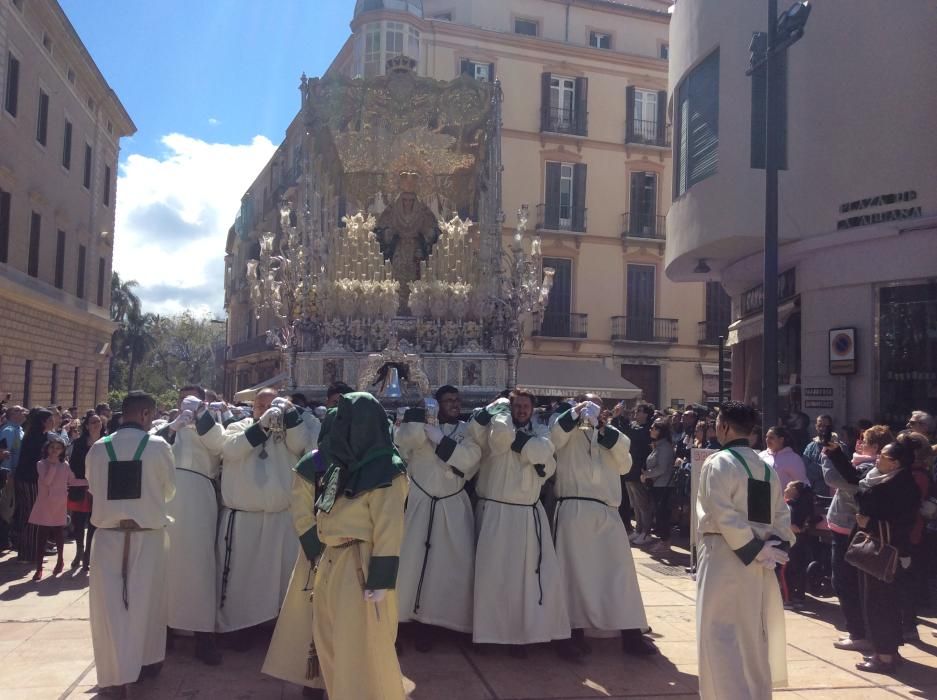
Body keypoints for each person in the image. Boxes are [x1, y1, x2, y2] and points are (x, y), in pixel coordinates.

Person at [311, 392, 409, 699]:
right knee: (329, 642)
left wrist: (380, 580)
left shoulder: (388, 471)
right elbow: (323, 508)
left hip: (359, 565)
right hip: (331, 560)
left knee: (358, 648)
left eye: (345, 419)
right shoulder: (340, 466)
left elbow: (390, 527)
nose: (339, 426)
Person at [696, 401, 794, 700]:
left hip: (724, 555)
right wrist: (774, 546)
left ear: (723, 426)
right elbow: (781, 515)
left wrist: (754, 548)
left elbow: (722, 513)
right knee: (752, 634)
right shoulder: (765, 467)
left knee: (717, 633)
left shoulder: (718, 461)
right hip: (758, 560)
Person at [550, 394, 657, 659]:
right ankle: (571, 634)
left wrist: (601, 427)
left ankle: (631, 634)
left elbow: (625, 464)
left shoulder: (612, 434)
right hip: (573, 509)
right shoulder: (564, 429)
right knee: (572, 575)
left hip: (607, 511)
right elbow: (553, 439)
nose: (592, 410)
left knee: (620, 574)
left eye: (597, 406)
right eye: (587, 404)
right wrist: (575, 414)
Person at [85, 391, 176, 698]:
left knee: (109, 608)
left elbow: (94, 488)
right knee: (148, 602)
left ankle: (115, 673)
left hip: (108, 536)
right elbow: (169, 490)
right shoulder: (158, 445)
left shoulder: (98, 448)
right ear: (147, 414)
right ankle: (144, 663)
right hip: (147, 534)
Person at [472, 390, 571, 655]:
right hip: (496, 511)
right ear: (510, 408)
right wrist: (526, 447)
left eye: (526, 406)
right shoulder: (497, 426)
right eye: (517, 406)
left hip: (527, 514)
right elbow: (499, 442)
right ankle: (490, 635)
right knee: (493, 576)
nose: (522, 410)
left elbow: (546, 459)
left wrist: (525, 447)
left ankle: (519, 635)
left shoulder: (542, 429)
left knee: (525, 579)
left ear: (533, 409)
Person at [217, 389, 311, 646]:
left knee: (281, 580)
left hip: (280, 518)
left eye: (272, 404)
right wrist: (261, 426)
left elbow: (302, 445)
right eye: (261, 404)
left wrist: (289, 416)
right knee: (243, 579)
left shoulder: (289, 430)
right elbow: (231, 451)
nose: (266, 408)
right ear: (253, 406)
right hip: (244, 520)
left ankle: (278, 631)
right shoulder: (238, 426)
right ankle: (240, 628)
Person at [394, 385, 482, 649]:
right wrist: (417, 423)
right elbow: (402, 447)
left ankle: (439, 620)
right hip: (420, 503)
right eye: (448, 400)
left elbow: (469, 461)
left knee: (448, 565)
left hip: (452, 505)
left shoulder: (467, 431)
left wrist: (441, 440)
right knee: (411, 561)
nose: (454, 404)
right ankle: (401, 620)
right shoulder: (420, 427)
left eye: (457, 400)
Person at [827, 439, 921, 673]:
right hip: (870, 549)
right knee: (873, 602)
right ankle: (886, 651)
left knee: (881, 604)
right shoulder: (878, 476)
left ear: (896, 463)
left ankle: (885, 656)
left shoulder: (904, 485)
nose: (878, 458)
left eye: (884, 456)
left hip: (885, 551)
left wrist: (871, 522)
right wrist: (837, 453)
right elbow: (854, 480)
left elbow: (903, 522)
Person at [155, 386, 225, 665]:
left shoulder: (214, 424)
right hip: (167, 495)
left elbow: (220, 446)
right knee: (166, 562)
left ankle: (203, 636)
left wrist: (202, 415)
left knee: (199, 565)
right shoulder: (166, 425)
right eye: (183, 397)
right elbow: (148, 447)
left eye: (192, 398)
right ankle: (166, 628)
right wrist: (173, 427)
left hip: (198, 495)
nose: (186, 402)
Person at [262, 444, 327, 700]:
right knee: (310, 617)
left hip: (351, 552)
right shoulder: (315, 461)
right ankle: (312, 680)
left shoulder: (366, 457)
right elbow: (302, 508)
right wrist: (315, 549)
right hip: (318, 552)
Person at [824, 425, 892, 652]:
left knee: (846, 583)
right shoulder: (861, 464)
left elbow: (837, 479)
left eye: (864, 441)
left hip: (850, 532)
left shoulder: (870, 468)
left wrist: (827, 456)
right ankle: (861, 632)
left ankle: (859, 633)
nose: (859, 443)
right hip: (844, 529)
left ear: (875, 447)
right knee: (848, 583)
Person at [28, 434, 77, 580]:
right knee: (41, 536)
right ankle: (38, 568)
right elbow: (47, 481)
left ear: (63, 450)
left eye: (58, 448)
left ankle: (60, 560)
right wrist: (54, 465)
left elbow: (72, 481)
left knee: (58, 534)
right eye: (52, 447)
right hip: (44, 504)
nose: (55, 450)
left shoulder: (65, 465)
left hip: (59, 504)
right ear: (47, 449)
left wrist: (88, 482)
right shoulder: (41, 464)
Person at [14, 408, 55, 562]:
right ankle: (29, 553)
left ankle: (29, 551)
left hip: (28, 479)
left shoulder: (39, 436)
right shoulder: (37, 438)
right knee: (33, 515)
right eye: (50, 419)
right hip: (30, 480)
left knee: (29, 515)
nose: (53, 422)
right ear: (44, 421)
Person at [67, 413, 102, 570]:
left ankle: (88, 553)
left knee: (95, 523)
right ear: (87, 426)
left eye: (99, 422)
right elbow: (73, 464)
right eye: (93, 422)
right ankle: (79, 551)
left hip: (100, 488)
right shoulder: (79, 443)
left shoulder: (106, 441)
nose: (97, 424)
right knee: (79, 522)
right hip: (81, 487)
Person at [621, 404, 655, 545]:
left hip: (639, 471)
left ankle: (646, 532)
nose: (636, 413)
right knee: (634, 503)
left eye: (639, 411)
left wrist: (622, 418)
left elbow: (635, 434)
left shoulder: (648, 428)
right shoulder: (634, 426)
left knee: (643, 504)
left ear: (646, 414)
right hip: (630, 469)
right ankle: (639, 529)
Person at [643, 418, 676, 555]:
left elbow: (661, 468)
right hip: (657, 484)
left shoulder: (665, 447)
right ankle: (663, 540)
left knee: (663, 514)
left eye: (654, 428)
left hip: (663, 485)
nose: (651, 430)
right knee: (659, 513)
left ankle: (665, 542)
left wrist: (647, 475)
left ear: (660, 431)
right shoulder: (658, 446)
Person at [782, 480, 814, 609]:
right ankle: (799, 597)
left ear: (794, 490)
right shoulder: (805, 506)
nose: (784, 489)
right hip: (802, 541)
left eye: (787, 486)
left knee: (787, 570)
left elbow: (792, 526)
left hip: (790, 542)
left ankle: (788, 598)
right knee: (799, 569)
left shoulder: (788, 506)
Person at [761, 426, 808, 491]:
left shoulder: (793, 459)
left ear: (781, 440)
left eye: (771, 438)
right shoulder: (761, 456)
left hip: (783, 500)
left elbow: (801, 483)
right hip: (763, 499)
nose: (767, 440)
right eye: (766, 437)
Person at [803, 414, 837, 496]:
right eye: (819, 425)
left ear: (831, 427)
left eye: (825, 426)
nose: (822, 428)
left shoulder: (838, 446)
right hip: (813, 492)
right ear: (816, 427)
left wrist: (818, 468)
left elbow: (835, 469)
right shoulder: (810, 446)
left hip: (832, 493)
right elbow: (804, 467)